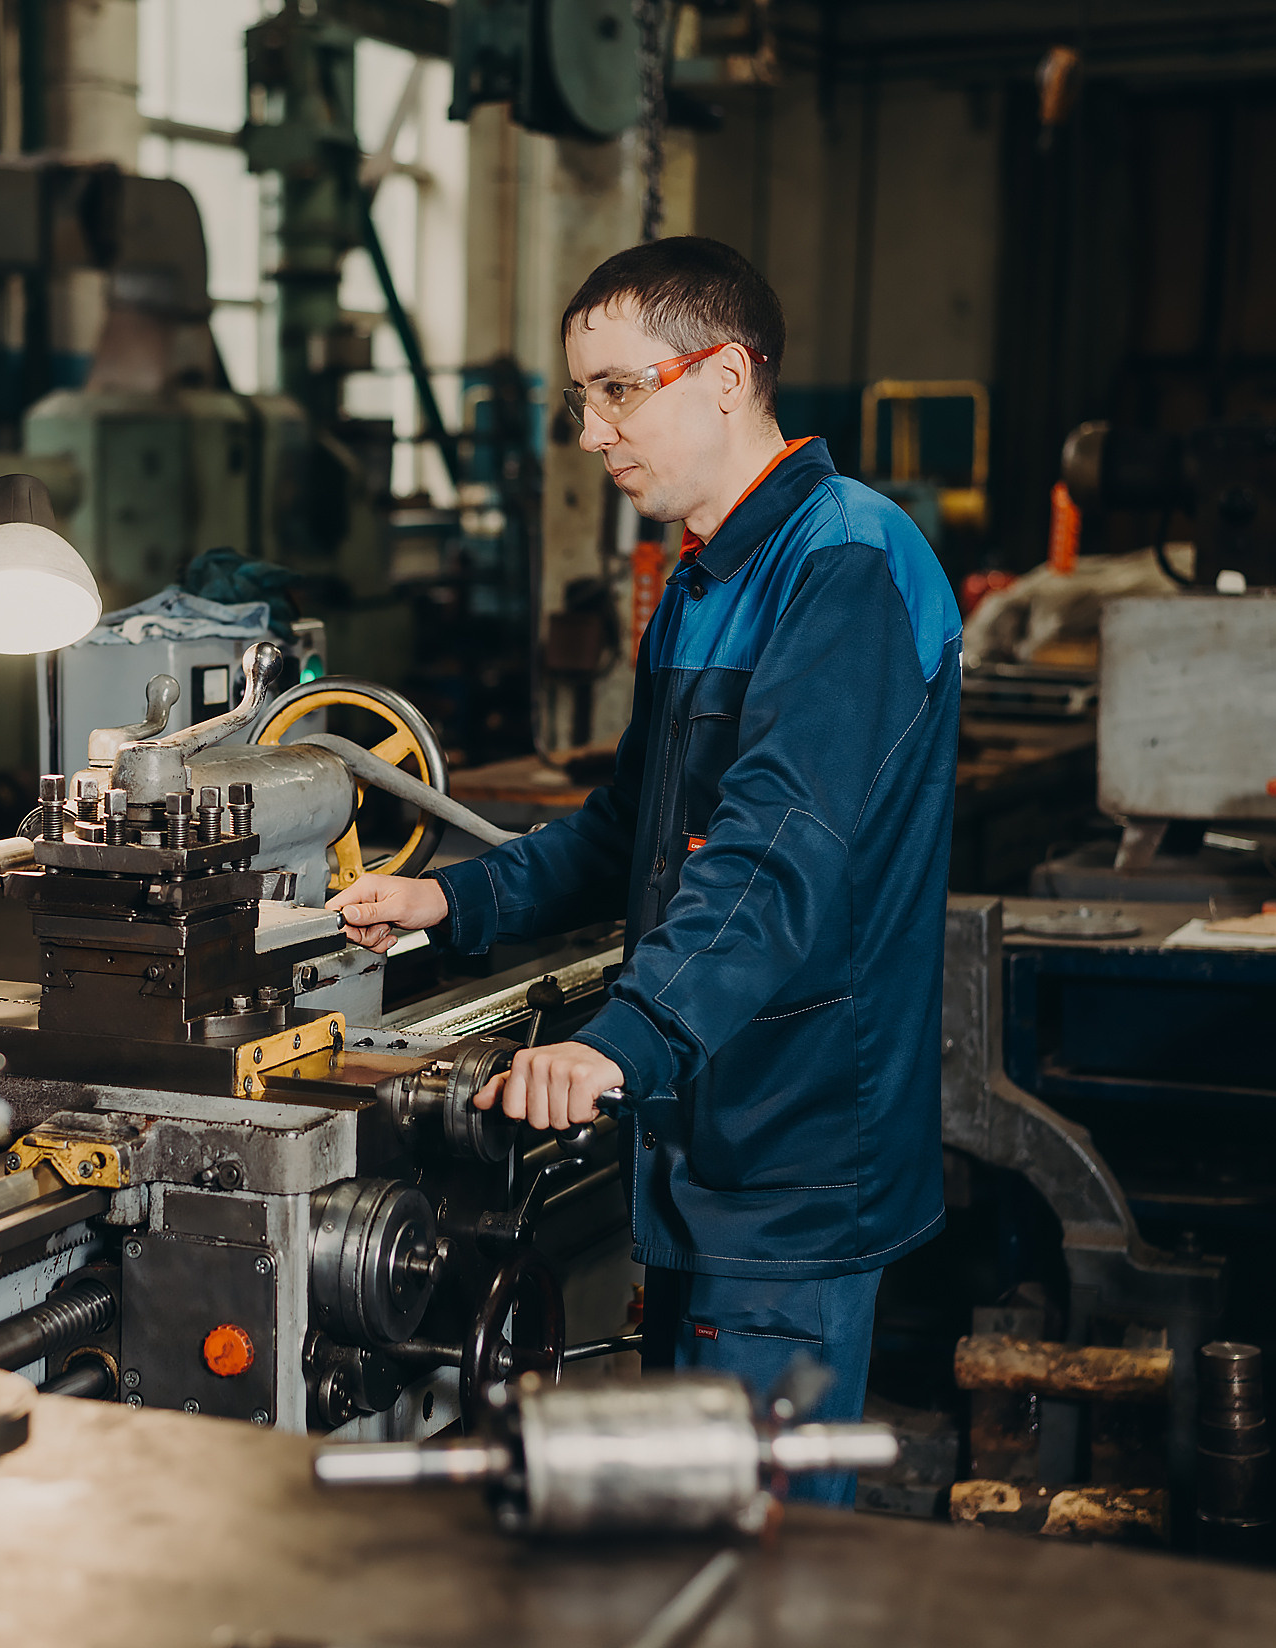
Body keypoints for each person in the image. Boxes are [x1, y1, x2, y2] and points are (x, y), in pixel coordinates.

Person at [328, 237, 961, 1505]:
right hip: (699, 1144)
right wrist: (453, 901)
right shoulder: (706, 582)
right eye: (581, 397)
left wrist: (625, 1041)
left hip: (790, 1156)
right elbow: (629, 827)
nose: (590, 430)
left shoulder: (844, 565)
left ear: (726, 377)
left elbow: (777, 855)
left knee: (759, 1549)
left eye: (618, 389)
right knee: (692, 1519)